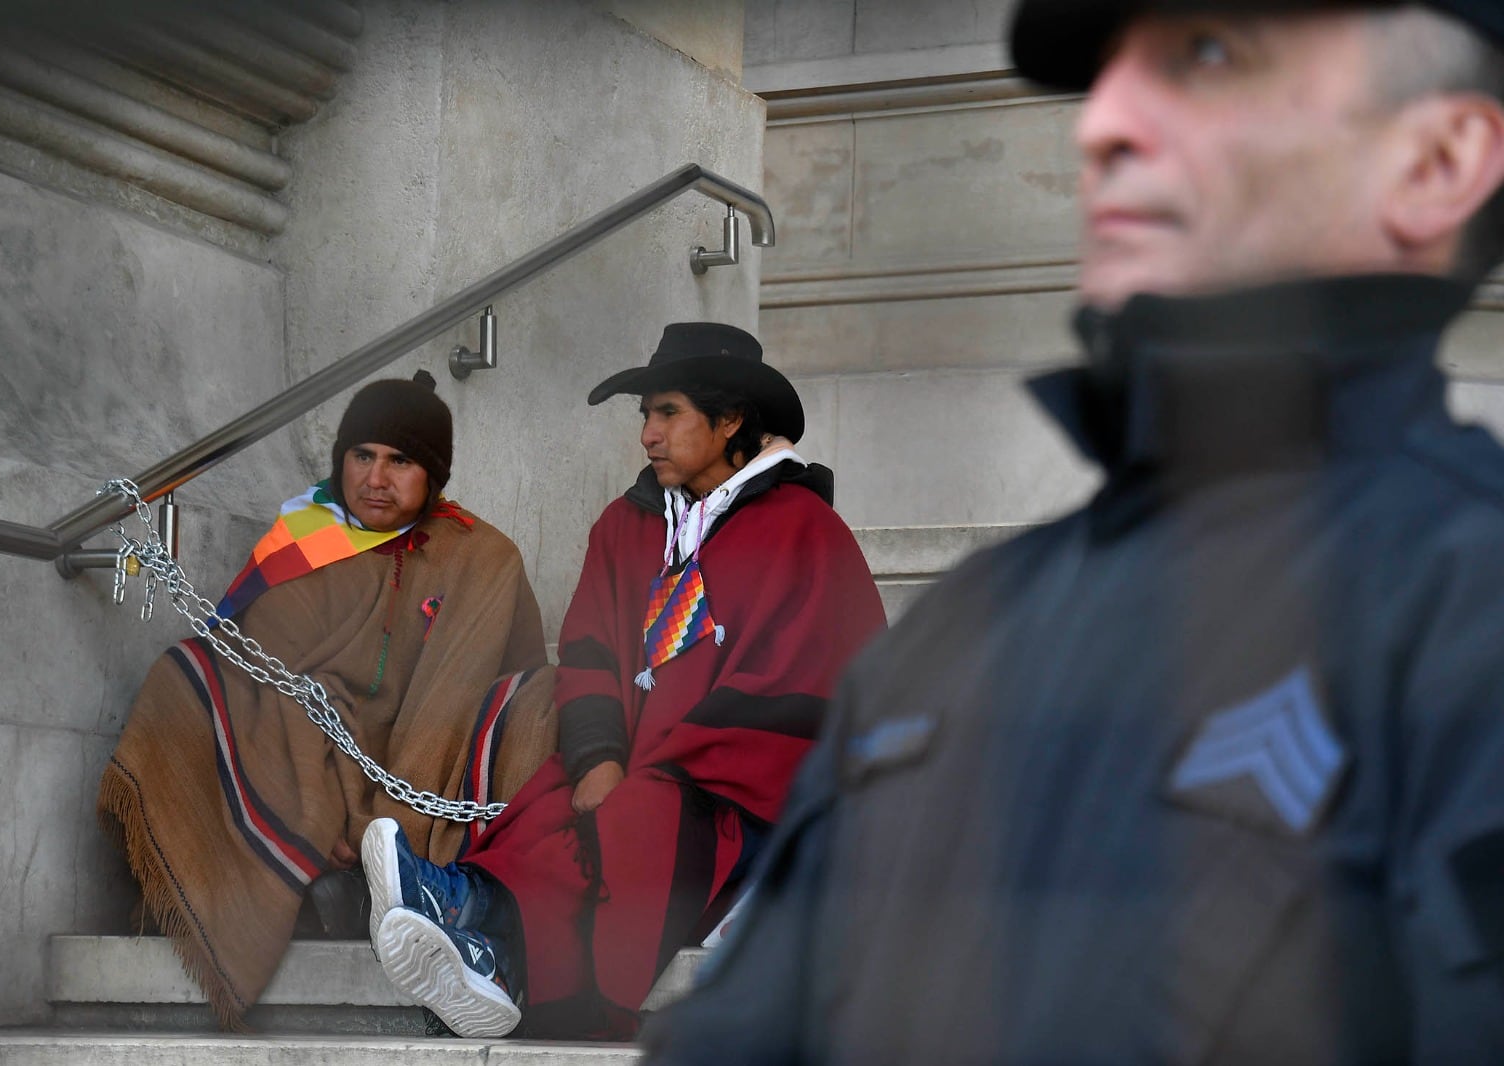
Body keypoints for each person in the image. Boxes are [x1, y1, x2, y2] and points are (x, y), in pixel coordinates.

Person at [642, 3, 1504, 1063]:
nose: (1102, 124)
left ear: (1438, 161)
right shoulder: (959, 630)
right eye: (1107, 71)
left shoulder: (1470, 613)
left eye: (1209, 53)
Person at [358, 322, 887, 1039]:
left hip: (744, 798)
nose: (647, 435)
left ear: (730, 419)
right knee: (552, 797)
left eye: (668, 412)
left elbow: (814, 685)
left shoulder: (806, 531)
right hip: (640, 773)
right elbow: (589, 655)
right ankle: (480, 933)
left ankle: (479, 927)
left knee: (639, 819)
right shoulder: (625, 527)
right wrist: (600, 755)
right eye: (645, 415)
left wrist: (658, 770)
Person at [97, 370, 557, 1029]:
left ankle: (397, 875)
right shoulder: (308, 539)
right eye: (362, 456)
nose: (376, 478)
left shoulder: (481, 556)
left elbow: (481, 688)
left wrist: (382, 819)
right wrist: (334, 796)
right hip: (315, 757)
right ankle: (299, 878)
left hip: (435, 759)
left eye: (400, 462)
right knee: (189, 676)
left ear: (433, 475)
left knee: (537, 704)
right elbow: (264, 666)